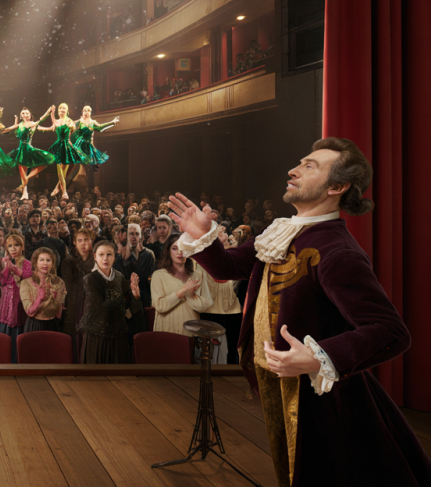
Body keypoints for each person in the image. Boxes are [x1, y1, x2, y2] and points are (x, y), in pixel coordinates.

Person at [168, 137, 431, 486]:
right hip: (280, 386)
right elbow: (227, 267)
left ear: (337, 186)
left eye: (310, 166)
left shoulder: (338, 251)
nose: (293, 170)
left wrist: (319, 357)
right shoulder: (282, 232)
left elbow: (390, 331)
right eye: (300, 162)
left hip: (323, 397)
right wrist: (204, 236)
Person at [78, 240, 141, 364]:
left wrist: (135, 295)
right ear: (95, 256)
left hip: (118, 335)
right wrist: (120, 298)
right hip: (98, 336)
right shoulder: (90, 279)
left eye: (109, 254)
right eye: (101, 255)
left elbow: (128, 309)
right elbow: (98, 310)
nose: (105, 259)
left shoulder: (119, 277)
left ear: (114, 257)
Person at [150, 236, 212, 337]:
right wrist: (182, 291)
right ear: (168, 251)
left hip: (192, 332)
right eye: (175, 248)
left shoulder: (198, 275)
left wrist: (190, 296)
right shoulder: (158, 275)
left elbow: (204, 306)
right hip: (167, 331)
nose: (180, 252)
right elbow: (160, 306)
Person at [60, 228, 96, 362]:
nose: (83, 243)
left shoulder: (96, 259)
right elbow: (69, 285)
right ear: (74, 243)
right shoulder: (68, 261)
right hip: (74, 302)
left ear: (91, 241)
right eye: (80, 240)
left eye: (86, 240)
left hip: (92, 301)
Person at [0, 234, 32, 362]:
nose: (13, 249)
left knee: (17, 335)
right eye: (10, 246)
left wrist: (14, 268)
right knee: (4, 335)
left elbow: (28, 278)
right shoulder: (5, 262)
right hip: (5, 304)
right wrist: (1, 266)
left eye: (16, 245)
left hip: (20, 305)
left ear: (22, 247)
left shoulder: (27, 263)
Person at [8, 106, 56, 200]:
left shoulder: (33, 124)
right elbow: (9, 130)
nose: (25, 114)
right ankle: (24, 192)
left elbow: (41, 121)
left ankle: (27, 179)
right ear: (21, 115)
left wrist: (49, 112)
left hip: (28, 148)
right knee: (22, 170)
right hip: (20, 150)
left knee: (44, 163)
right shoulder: (19, 125)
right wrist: (14, 122)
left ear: (30, 115)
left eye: (27, 113)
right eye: (23, 113)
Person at [44, 103, 90, 200]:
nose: (61, 109)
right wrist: (51, 112)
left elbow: (72, 129)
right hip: (58, 146)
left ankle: (60, 189)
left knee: (63, 172)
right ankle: (62, 191)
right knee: (59, 170)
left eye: (64, 108)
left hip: (67, 146)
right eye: (60, 108)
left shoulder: (69, 121)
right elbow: (54, 124)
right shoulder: (56, 121)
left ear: (67, 111)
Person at [19, 247, 66, 332]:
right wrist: (40, 298)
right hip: (34, 326)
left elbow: (59, 314)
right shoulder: (26, 283)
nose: (45, 264)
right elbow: (29, 312)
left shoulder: (59, 282)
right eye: (41, 260)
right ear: (35, 262)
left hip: (53, 325)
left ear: (53, 263)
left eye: (48, 260)